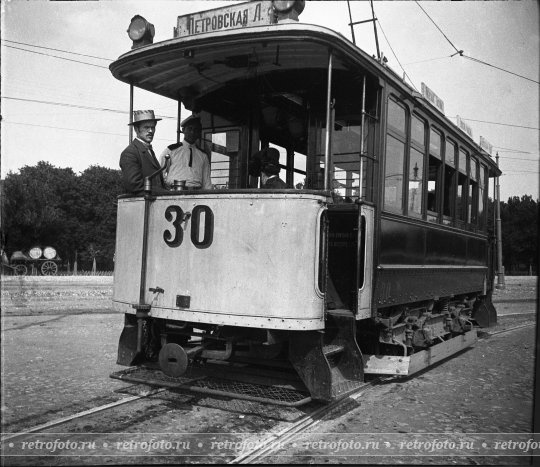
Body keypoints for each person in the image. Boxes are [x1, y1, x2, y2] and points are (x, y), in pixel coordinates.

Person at [119, 110, 168, 194]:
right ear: (136, 129)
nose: (151, 131)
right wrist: (164, 193)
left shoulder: (148, 151)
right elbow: (134, 186)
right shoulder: (130, 153)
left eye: (153, 127)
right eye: (146, 127)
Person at [159, 114, 212, 190]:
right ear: (183, 130)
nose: (192, 132)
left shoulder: (203, 155)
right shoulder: (171, 150)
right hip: (174, 193)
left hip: (196, 194)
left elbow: (207, 183)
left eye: (196, 130)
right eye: (189, 129)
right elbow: (160, 174)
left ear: (199, 133)